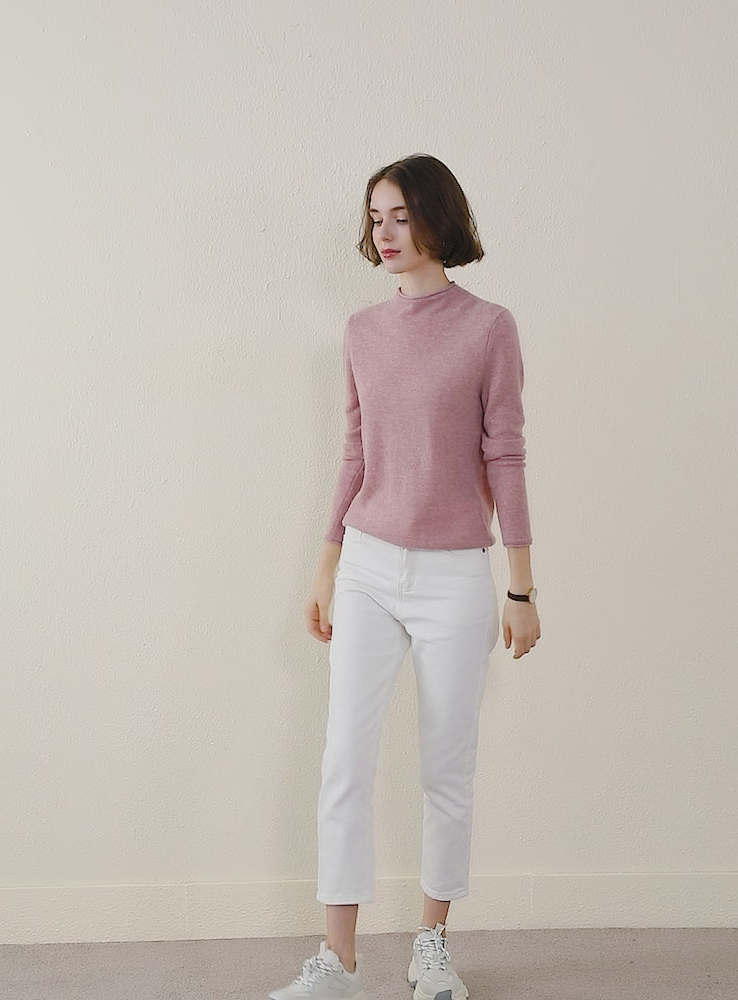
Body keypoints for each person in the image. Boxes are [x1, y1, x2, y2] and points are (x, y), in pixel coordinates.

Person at [269, 154, 541, 1000]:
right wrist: (326, 564)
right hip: (368, 566)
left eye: (400, 215)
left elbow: (505, 455)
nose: (384, 232)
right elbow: (355, 451)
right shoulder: (361, 332)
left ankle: (432, 948)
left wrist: (521, 588)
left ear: (437, 217)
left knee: (446, 767)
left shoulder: (489, 328)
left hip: (456, 572)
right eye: (375, 217)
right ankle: (339, 963)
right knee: (343, 759)